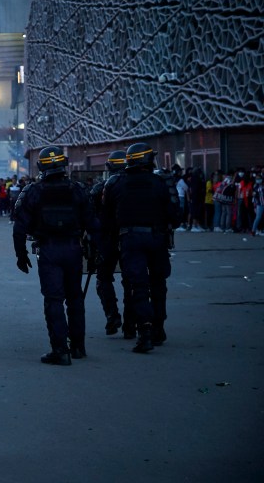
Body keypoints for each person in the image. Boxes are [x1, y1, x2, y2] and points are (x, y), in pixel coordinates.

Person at [13, 146, 97, 365]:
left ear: (41, 166)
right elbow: (93, 224)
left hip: (49, 250)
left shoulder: (33, 190)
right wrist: (96, 251)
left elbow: (19, 226)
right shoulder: (77, 189)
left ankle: (60, 349)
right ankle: (78, 347)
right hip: (73, 249)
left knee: (54, 299)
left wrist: (21, 255)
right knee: (75, 298)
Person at [102, 142, 181, 352]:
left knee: (138, 286)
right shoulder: (161, 182)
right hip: (157, 238)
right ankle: (158, 328)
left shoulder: (115, 183)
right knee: (158, 284)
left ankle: (144, 332)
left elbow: (106, 217)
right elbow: (176, 215)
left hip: (129, 238)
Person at [89, 150, 131, 337]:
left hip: (108, 240)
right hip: (130, 239)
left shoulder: (101, 188)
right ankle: (131, 323)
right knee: (132, 281)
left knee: (103, 279)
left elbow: (89, 216)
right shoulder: (135, 184)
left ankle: (112, 315)